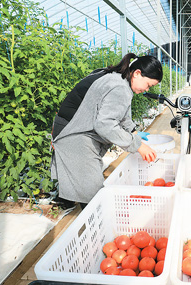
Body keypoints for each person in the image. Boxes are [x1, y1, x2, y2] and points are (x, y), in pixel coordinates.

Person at [50, 53, 162, 205]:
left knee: (82, 183)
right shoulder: (120, 87)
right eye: (148, 85)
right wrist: (137, 145)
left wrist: (134, 133)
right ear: (137, 74)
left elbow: (122, 116)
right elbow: (105, 124)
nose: (147, 89)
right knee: (94, 197)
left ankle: (68, 200)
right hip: (74, 133)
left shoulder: (119, 78)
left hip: (74, 127)